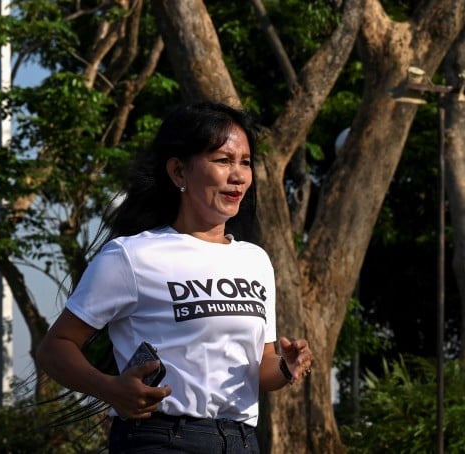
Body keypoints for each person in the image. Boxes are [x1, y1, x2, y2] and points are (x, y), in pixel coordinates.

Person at [36, 101, 312, 453]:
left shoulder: (254, 260)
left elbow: (260, 369)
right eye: (223, 160)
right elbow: (54, 348)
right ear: (179, 172)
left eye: (245, 162)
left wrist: (286, 367)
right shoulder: (131, 256)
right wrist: (109, 388)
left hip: (242, 441)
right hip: (162, 440)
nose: (239, 175)